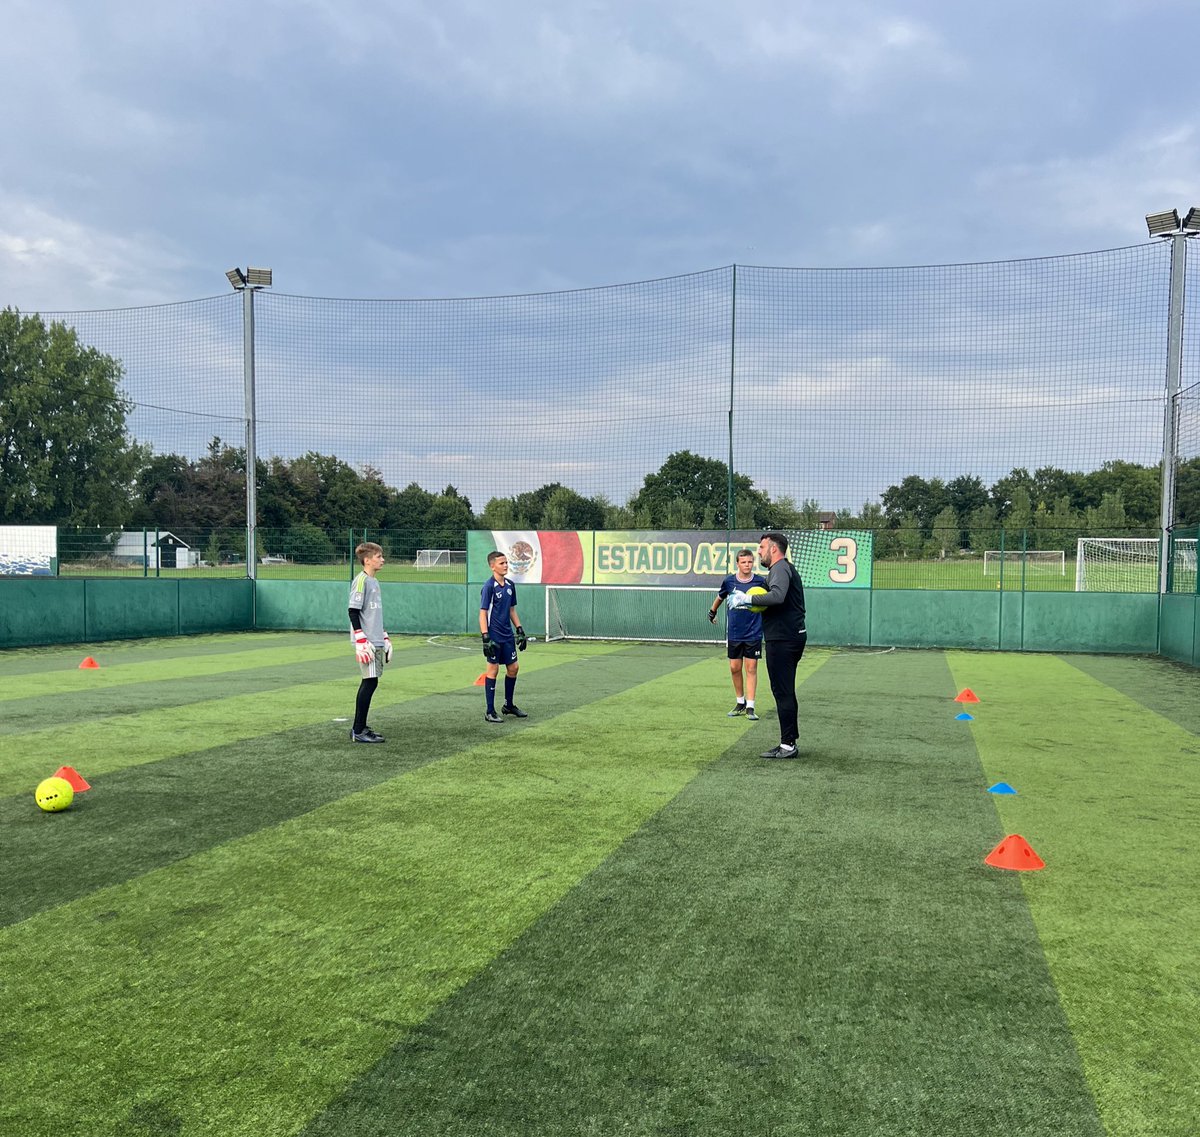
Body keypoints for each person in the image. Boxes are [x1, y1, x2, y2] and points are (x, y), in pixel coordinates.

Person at [728, 532, 806, 759]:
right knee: (784, 690)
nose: (759, 552)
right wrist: (745, 600)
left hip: (784, 639)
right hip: (787, 637)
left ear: (774, 549)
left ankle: (788, 745)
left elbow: (778, 596)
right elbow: (766, 594)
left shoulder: (780, 568)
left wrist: (747, 600)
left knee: (782, 691)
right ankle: (789, 741)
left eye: (762, 547)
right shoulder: (778, 570)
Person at [708, 549, 766, 720]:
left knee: (751, 668)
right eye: (743, 562)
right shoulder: (729, 581)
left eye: (749, 562)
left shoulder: (761, 582)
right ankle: (740, 702)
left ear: (753, 562)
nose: (747, 565)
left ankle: (750, 706)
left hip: (754, 633)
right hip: (734, 633)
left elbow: (770, 600)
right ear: (738, 563)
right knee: (734, 668)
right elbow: (720, 597)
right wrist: (712, 612)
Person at [348, 541, 392, 743]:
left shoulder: (375, 582)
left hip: (375, 639)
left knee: (371, 682)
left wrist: (384, 636)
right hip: (367, 642)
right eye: (378, 556)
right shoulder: (361, 581)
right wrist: (360, 638)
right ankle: (358, 730)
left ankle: (360, 727)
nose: (382, 560)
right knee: (369, 682)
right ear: (367, 560)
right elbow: (353, 611)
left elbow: (374, 614)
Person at [480, 550, 529, 724]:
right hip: (494, 636)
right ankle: (490, 711)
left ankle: (508, 705)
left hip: (507, 636)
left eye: (506, 562)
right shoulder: (488, 587)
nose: (506, 565)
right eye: (502, 563)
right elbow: (483, 613)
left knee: (513, 668)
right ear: (492, 566)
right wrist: (485, 637)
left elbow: (511, 611)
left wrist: (520, 629)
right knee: (493, 670)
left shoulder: (510, 585)